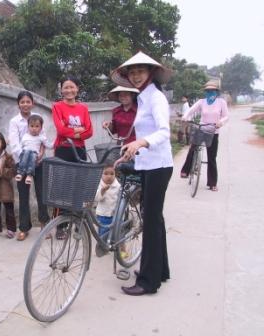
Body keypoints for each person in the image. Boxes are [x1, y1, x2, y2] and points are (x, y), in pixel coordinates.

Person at [111, 51, 173, 296]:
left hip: (159, 165)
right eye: (132, 72)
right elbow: (142, 134)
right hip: (147, 164)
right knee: (155, 219)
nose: (136, 76)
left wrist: (141, 143)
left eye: (140, 71)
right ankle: (161, 270)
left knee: (150, 220)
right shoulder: (144, 98)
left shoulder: (156, 98)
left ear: (150, 72)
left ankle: (148, 282)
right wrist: (130, 150)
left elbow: (164, 132)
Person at [52, 75, 93, 239]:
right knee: (62, 187)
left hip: (80, 150)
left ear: (77, 89)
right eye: (66, 87)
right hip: (63, 149)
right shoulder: (57, 106)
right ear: (61, 90)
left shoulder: (83, 108)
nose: (69, 90)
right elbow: (60, 131)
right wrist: (79, 131)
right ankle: (60, 226)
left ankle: (78, 223)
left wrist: (71, 131)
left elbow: (90, 131)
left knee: (79, 187)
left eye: (72, 87)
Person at [8, 91, 50, 241]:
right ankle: (24, 228)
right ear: (18, 104)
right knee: (24, 195)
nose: (25, 104)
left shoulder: (38, 118)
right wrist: (27, 158)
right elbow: (14, 144)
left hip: (39, 162)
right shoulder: (14, 122)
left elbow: (43, 139)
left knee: (42, 193)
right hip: (22, 163)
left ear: (33, 103)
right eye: (22, 102)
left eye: (28, 101)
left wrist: (40, 154)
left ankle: (45, 224)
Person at [180, 80, 229, 191]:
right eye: (207, 91)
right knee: (192, 149)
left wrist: (221, 122)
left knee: (212, 158)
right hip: (201, 129)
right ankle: (185, 171)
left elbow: (226, 116)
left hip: (214, 131)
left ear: (217, 92)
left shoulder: (221, 102)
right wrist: (185, 117)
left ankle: (212, 183)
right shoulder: (202, 102)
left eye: (212, 91)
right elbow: (191, 110)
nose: (209, 92)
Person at [15, 114, 53, 185]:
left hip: (34, 154)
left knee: (33, 155)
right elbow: (20, 145)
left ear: (41, 128)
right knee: (26, 152)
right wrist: (20, 153)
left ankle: (29, 175)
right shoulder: (25, 136)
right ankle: (20, 173)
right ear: (28, 127)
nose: (34, 128)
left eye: (37, 126)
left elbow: (49, 145)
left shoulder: (41, 137)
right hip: (25, 153)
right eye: (32, 126)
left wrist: (56, 143)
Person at [94, 165, 120, 236]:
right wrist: (102, 191)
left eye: (112, 174)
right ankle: (102, 245)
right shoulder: (100, 185)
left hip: (115, 215)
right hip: (103, 215)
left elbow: (120, 200)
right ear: (101, 174)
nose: (109, 176)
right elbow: (96, 198)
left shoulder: (117, 186)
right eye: (106, 174)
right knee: (103, 233)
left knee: (116, 233)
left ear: (115, 174)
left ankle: (119, 245)